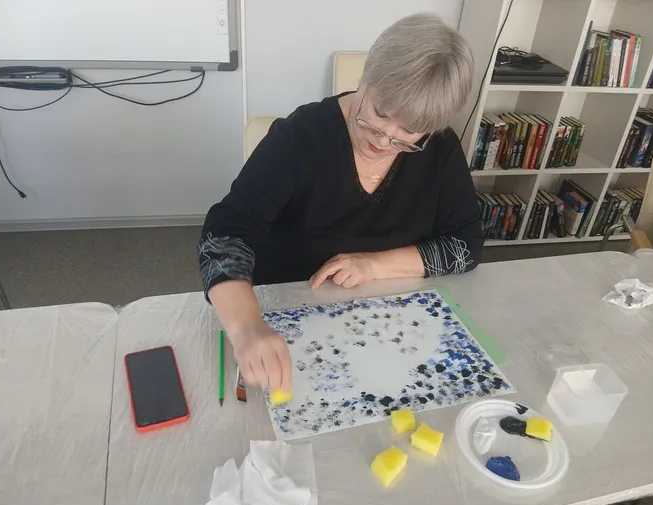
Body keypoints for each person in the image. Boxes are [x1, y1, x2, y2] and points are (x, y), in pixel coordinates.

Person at [198, 13, 483, 394]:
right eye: (379, 114)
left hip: (389, 321)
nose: (384, 141)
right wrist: (247, 327)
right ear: (365, 78)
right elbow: (224, 235)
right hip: (290, 315)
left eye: (408, 134)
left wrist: (374, 265)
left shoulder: (440, 148)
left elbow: (465, 244)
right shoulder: (299, 138)